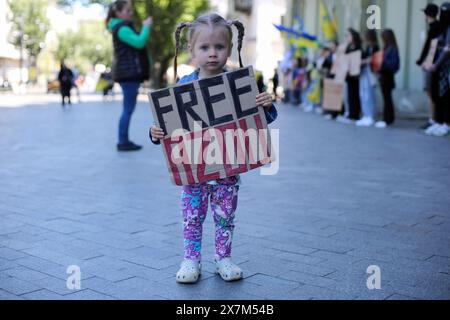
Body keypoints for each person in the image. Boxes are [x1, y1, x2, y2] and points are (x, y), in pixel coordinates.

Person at [149, 13, 278, 284]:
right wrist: (155, 133)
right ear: (191, 51)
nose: (212, 54)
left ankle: (223, 258)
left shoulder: (239, 85)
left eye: (219, 47)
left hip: (227, 172)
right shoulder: (184, 86)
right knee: (192, 218)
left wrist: (266, 105)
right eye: (204, 48)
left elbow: (258, 122)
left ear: (229, 49)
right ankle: (191, 260)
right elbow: (168, 126)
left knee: (225, 217)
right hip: (194, 172)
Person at [106, 0, 152, 152]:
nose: (130, 13)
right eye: (127, 10)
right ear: (118, 13)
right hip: (128, 74)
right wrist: (146, 27)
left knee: (128, 109)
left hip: (128, 73)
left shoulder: (121, 27)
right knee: (128, 109)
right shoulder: (122, 29)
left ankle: (123, 140)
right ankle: (122, 141)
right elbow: (139, 42)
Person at [424, 2, 450, 137]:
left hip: (446, 68)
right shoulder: (443, 27)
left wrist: (436, 64)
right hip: (440, 68)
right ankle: (439, 121)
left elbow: (447, 49)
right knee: (439, 95)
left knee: (446, 96)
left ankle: (446, 123)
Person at [417, 4, 441, 130]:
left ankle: (433, 118)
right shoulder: (436, 27)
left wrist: (422, 60)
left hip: (430, 64)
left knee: (430, 91)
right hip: (431, 63)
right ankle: (433, 118)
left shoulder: (435, 28)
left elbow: (429, 47)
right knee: (431, 91)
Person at [375, 29, 400, 129]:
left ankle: (387, 119)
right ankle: (388, 118)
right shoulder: (386, 48)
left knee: (387, 98)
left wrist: (382, 64)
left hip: (387, 76)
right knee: (386, 98)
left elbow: (394, 64)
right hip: (383, 76)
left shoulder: (392, 49)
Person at [337, 28, 362, 124]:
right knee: (349, 95)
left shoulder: (357, 46)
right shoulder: (347, 47)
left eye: (348, 35)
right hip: (347, 75)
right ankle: (350, 113)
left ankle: (354, 115)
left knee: (354, 95)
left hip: (354, 75)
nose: (347, 37)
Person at [357, 29, 380, 127]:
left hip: (370, 73)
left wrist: (365, 61)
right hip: (365, 72)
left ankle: (370, 115)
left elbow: (373, 59)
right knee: (363, 94)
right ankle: (366, 114)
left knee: (369, 94)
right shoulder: (367, 47)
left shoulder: (375, 47)